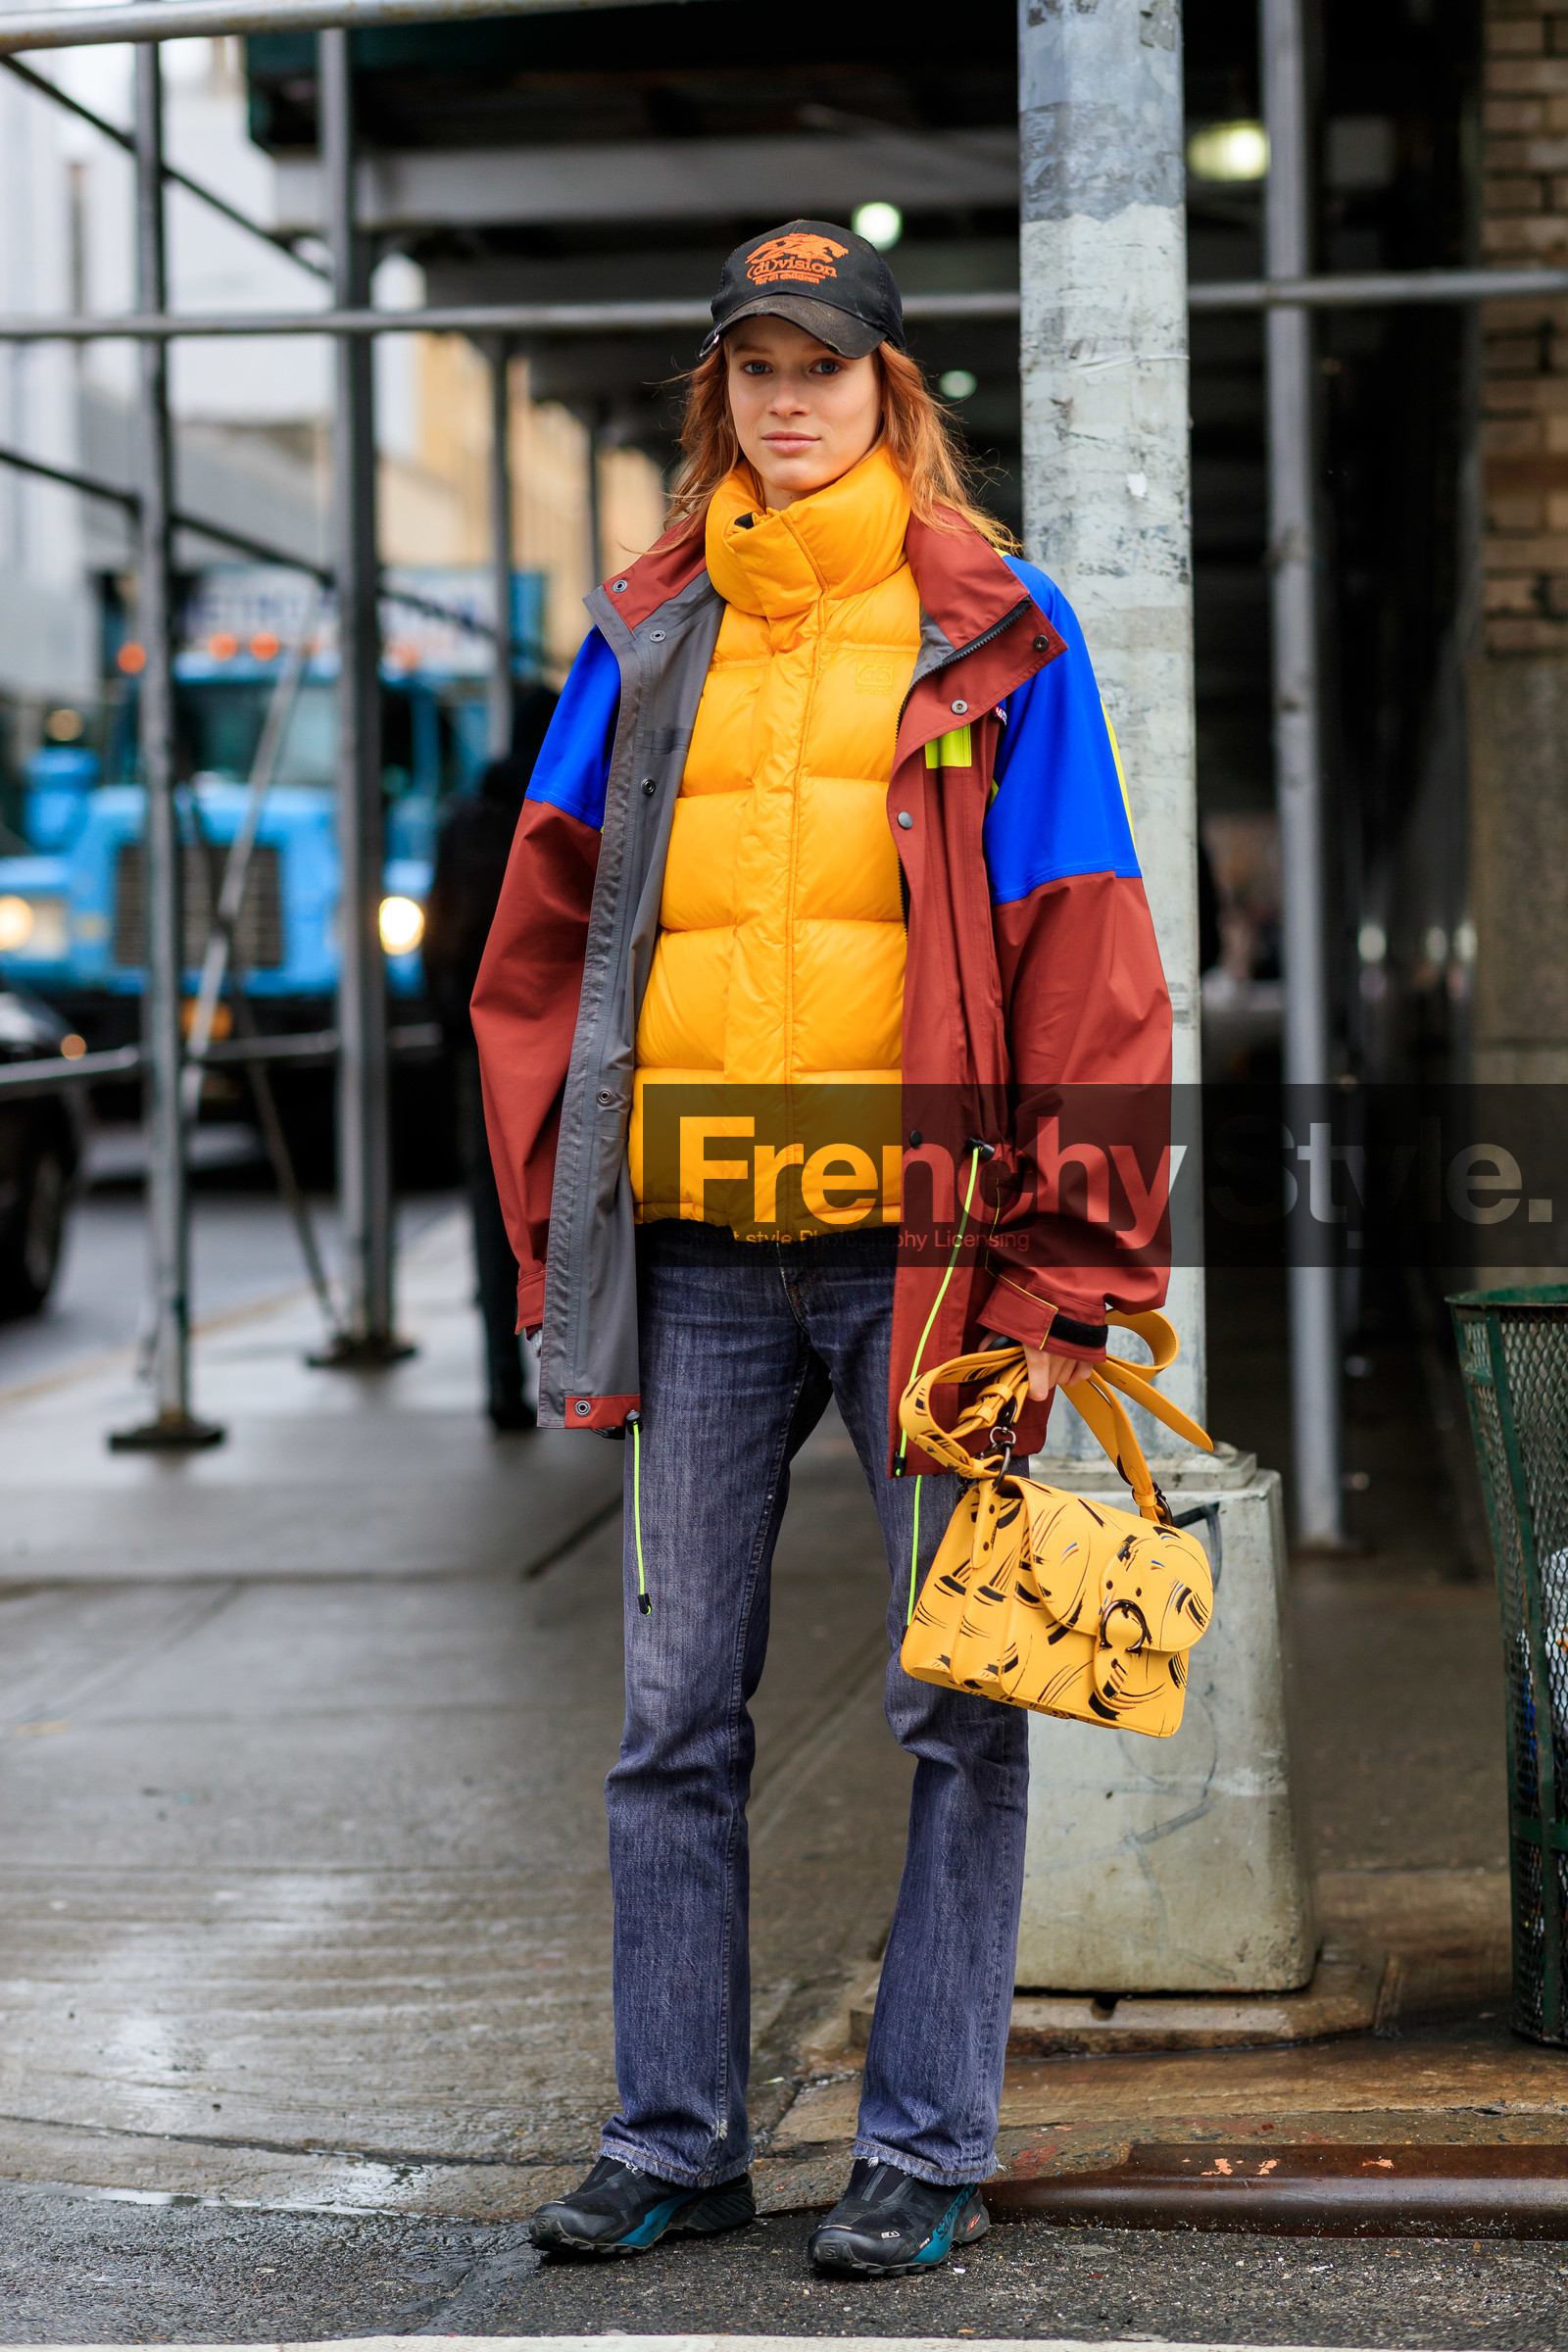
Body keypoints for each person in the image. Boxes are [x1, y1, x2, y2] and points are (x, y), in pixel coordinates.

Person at [471, 220, 1171, 2276]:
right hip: (694, 1252)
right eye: (753, 367)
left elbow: (1092, 967)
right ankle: (673, 2133)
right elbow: (541, 952)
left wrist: (1070, 1270)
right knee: (668, 1716)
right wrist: (549, 1229)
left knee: (961, 1699)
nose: (787, 398)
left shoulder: (993, 628)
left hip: (921, 1262)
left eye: (823, 364)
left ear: (888, 391)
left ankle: (923, 2144)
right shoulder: (645, 635)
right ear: (720, 395)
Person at [422, 684, 557, 1429]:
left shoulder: (469, 819)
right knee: (584, 1201)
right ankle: (584, 1373)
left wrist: (451, 1024)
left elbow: (437, 934)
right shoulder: (581, 806)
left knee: (491, 1203)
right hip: (570, 1042)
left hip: (483, 1050)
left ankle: (501, 1381)